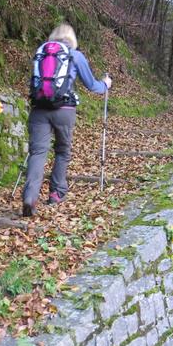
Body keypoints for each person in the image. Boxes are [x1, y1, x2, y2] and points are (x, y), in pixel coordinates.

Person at [22, 23, 112, 217]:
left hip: (39, 110)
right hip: (65, 110)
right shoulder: (75, 55)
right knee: (62, 151)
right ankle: (56, 193)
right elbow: (92, 85)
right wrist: (105, 85)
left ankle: (30, 197)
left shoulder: (42, 53)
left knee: (37, 153)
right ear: (72, 38)